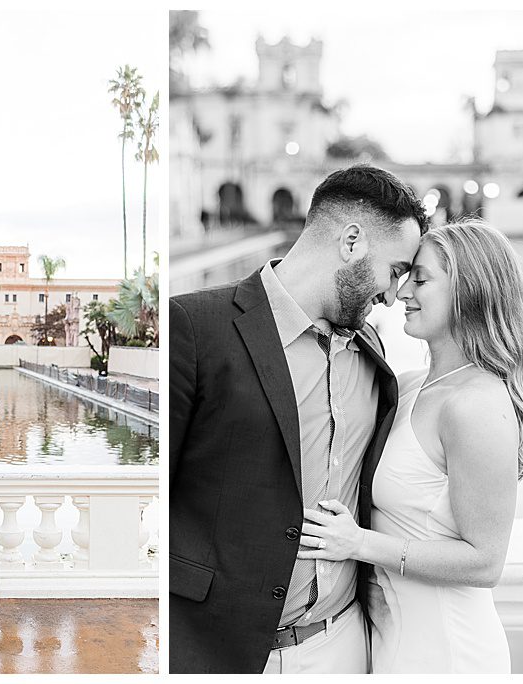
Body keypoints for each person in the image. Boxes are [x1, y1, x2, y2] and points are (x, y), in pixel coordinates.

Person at [169, 164, 427, 673]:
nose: (394, 296)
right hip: (222, 653)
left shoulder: (369, 349)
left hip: (342, 646)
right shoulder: (196, 328)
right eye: (395, 269)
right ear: (351, 242)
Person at [297, 219, 523, 673]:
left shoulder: (476, 405)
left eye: (421, 279)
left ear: (470, 291)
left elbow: (485, 562)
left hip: (449, 653)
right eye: (406, 274)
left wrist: (357, 543)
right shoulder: (409, 386)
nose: (402, 292)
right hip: (391, 642)